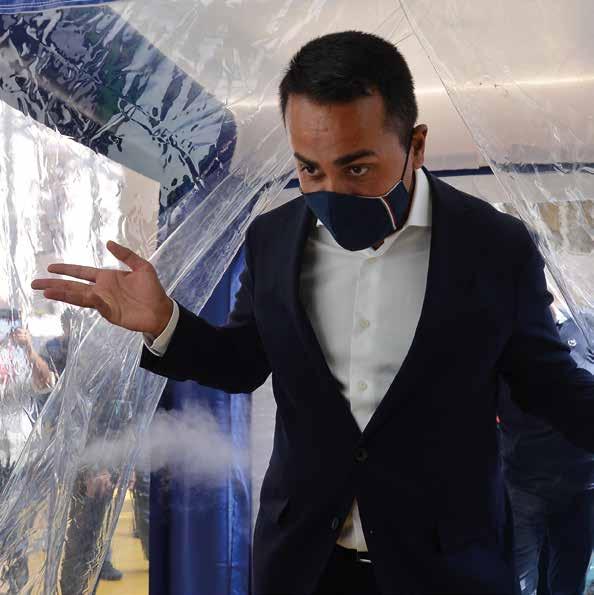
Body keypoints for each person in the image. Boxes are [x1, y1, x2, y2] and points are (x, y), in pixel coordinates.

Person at [31, 31, 594, 595]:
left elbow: (548, 383)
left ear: (416, 146)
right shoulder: (273, 240)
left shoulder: (493, 246)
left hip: (445, 568)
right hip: (303, 564)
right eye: (309, 170)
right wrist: (164, 322)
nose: (331, 193)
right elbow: (242, 362)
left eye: (357, 169)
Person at [499, 299, 594, 595]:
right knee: (520, 583)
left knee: (569, 579)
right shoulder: (501, 330)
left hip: (581, 485)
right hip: (523, 483)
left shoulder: (584, 324)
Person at [42, 310, 124, 590]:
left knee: (87, 533)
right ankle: (75, 586)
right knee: (81, 535)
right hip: (77, 460)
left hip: (93, 463)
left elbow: (105, 419)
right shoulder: (62, 354)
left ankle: (84, 579)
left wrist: (101, 467)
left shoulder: (98, 364)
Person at [0, 309, 55, 593]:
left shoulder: (22, 359)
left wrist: (29, 350)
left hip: (17, 457)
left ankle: (15, 585)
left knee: (16, 530)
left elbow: (46, 382)